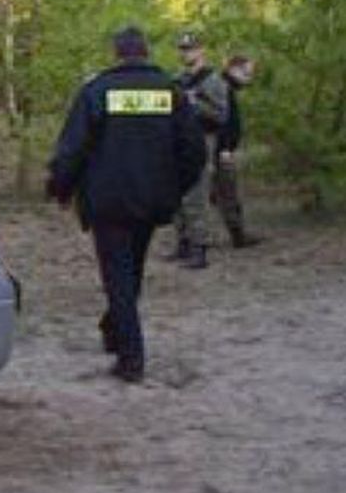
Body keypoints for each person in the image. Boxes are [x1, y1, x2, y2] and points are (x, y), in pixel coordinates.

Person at [47, 27, 206, 383]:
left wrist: (60, 187)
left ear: (116, 54)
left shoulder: (97, 91)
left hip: (108, 201)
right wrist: (174, 187)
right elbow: (195, 151)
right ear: (146, 53)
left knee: (119, 276)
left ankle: (131, 359)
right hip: (151, 200)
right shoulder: (171, 91)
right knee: (130, 271)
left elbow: (72, 149)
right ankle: (114, 328)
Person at [169, 31, 229, 269]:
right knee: (177, 196)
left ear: (202, 50)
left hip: (202, 141)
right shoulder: (177, 79)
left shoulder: (213, 80)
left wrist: (194, 103)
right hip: (178, 143)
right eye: (183, 49)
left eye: (191, 48)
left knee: (197, 196)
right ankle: (183, 243)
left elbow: (221, 116)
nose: (186, 53)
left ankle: (200, 249)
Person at [214, 54, 262, 249]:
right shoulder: (222, 88)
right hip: (219, 151)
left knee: (223, 193)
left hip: (218, 150)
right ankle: (238, 236)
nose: (248, 78)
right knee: (227, 192)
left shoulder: (225, 87)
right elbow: (223, 121)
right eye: (246, 73)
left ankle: (237, 234)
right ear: (233, 69)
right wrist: (225, 147)